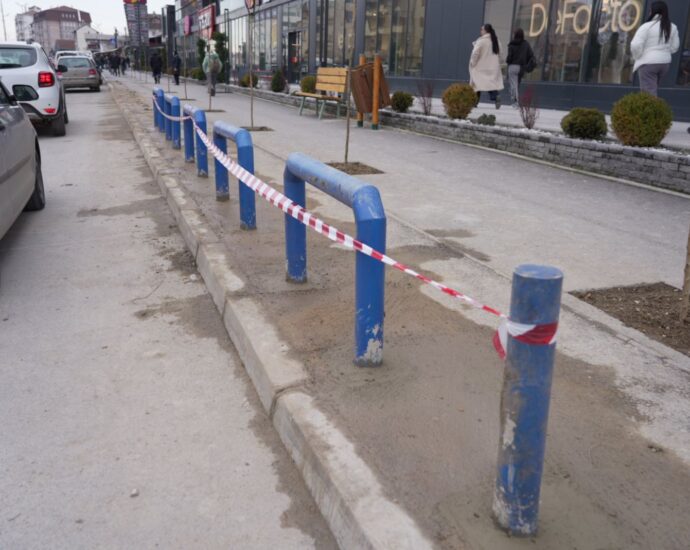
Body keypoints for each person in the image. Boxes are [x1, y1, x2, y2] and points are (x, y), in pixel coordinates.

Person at [630, 0, 680, 96]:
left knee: (648, 94)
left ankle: (652, 106)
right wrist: (664, 52)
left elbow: (635, 45)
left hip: (648, 63)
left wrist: (637, 56)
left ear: (652, 11)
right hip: (664, 63)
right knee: (653, 88)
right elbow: (675, 46)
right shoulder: (672, 27)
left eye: (650, 10)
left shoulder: (646, 27)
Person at [469, 23, 504, 109]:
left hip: (480, 67)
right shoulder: (496, 40)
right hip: (492, 67)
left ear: (485, 31)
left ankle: (474, 102)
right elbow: (501, 54)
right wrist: (499, 63)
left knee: (476, 84)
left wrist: (473, 63)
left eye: (482, 29)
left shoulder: (481, 41)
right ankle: (496, 96)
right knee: (490, 84)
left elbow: (475, 53)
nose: (480, 31)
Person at [506, 28, 535, 108]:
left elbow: (509, 58)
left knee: (513, 85)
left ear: (515, 35)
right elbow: (531, 55)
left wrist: (508, 61)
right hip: (522, 67)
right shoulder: (526, 44)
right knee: (517, 84)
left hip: (513, 66)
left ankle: (515, 102)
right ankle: (515, 99)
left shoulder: (512, 44)